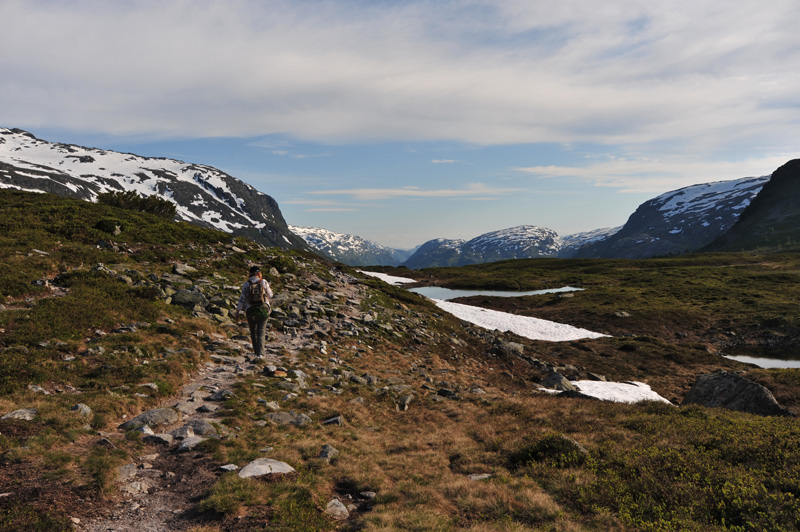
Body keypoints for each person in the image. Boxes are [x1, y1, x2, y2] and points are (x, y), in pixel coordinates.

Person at [235, 265, 273, 359]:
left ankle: (256, 351)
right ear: (258, 273)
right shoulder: (263, 282)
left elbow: (242, 299)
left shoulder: (246, 284)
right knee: (261, 331)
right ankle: (260, 354)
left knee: (253, 332)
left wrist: (238, 311)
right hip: (263, 309)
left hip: (250, 311)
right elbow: (270, 295)